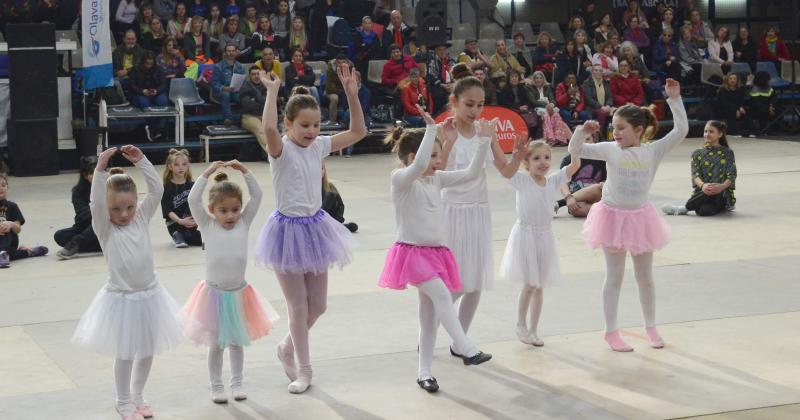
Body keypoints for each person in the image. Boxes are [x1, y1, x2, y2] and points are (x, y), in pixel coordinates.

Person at [255, 67, 366, 394]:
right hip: (286, 233)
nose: (312, 131)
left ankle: (287, 346)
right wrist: (272, 92)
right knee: (298, 306)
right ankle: (304, 370)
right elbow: (267, 128)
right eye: (304, 125)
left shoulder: (318, 146)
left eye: (316, 125)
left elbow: (358, 131)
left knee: (318, 306)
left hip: (316, 228)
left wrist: (351, 94)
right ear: (288, 124)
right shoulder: (281, 150)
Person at [567, 78, 688, 352]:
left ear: (639, 129)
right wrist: (582, 132)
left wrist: (674, 99)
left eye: (621, 128)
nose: (615, 133)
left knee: (645, 277)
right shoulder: (610, 150)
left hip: (641, 218)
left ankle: (651, 327)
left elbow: (681, 130)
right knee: (614, 277)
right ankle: (611, 331)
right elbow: (576, 151)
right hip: (612, 218)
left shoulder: (652, 150)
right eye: (613, 128)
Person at [379, 109, 494, 393]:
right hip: (411, 254)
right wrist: (431, 130)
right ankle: (465, 347)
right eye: (431, 156)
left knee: (428, 318)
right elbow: (418, 167)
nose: (437, 161)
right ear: (409, 157)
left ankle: (424, 372)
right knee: (442, 294)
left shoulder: (437, 179)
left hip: (435, 253)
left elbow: (469, 174)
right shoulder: (400, 179)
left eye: (437, 155)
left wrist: (483, 142)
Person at [71, 146, 184, 420]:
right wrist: (100, 168)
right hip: (122, 298)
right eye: (116, 208)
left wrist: (143, 161)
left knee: (146, 350)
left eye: (130, 207)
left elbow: (156, 190)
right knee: (125, 353)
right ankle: (123, 401)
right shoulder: (105, 227)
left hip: (150, 295)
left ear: (137, 203)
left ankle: (138, 395)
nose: (124, 213)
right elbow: (96, 202)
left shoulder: (141, 218)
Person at [438, 77, 525, 352]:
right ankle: (426, 333)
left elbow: (507, 171)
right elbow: (435, 169)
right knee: (451, 284)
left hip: (478, 211)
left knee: (474, 283)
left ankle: (460, 342)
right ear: (454, 102)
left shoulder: (486, 132)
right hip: (451, 212)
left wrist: (519, 155)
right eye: (469, 104)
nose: (475, 111)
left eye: (481, 104)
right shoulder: (443, 130)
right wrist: (450, 142)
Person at [184, 160, 279, 404]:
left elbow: (257, 195)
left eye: (235, 209)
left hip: (239, 293)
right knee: (216, 344)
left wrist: (245, 171)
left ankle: (237, 383)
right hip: (213, 295)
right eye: (224, 210)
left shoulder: (244, 222)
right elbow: (193, 200)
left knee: (237, 342)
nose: (231, 215)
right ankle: (216, 385)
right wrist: (206, 173)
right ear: (212, 209)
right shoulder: (207, 225)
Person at [500, 140, 580, 347]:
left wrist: (578, 139)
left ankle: (534, 330)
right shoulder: (521, 181)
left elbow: (574, 165)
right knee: (530, 283)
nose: (543, 162)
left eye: (546, 157)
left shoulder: (553, 181)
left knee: (540, 286)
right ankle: (520, 324)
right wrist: (514, 156)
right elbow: (504, 170)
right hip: (525, 236)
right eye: (536, 158)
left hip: (545, 237)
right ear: (527, 163)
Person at [663, 120, 736, 217]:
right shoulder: (697, 153)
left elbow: (732, 175)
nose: (707, 134)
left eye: (711, 132)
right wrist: (703, 186)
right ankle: (698, 205)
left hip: (722, 193)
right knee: (703, 211)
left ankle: (684, 208)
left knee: (713, 192)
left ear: (720, 134)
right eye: (705, 131)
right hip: (702, 193)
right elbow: (695, 175)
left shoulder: (727, 153)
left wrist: (721, 187)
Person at [55, 156, 102, 259]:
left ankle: (75, 244)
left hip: (104, 226)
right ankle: (100, 245)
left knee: (100, 221)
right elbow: (84, 214)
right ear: (85, 175)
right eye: (92, 173)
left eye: (99, 172)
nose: (97, 176)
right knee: (59, 235)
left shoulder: (110, 187)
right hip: (86, 227)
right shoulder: (78, 192)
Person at [0, 174, 48, 268]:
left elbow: (18, 229)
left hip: (8, 240)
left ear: (7, 187)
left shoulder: (12, 206)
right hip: (8, 249)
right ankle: (28, 252)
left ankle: (2, 255)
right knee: (11, 254)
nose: (1, 188)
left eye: (3, 185)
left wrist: (10, 224)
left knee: (5, 226)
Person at [161, 149, 202, 248]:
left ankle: (186, 235)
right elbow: (168, 211)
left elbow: (198, 205)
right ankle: (178, 235)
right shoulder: (166, 187)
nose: (181, 167)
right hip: (175, 224)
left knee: (206, 240)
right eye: (177, 165)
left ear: (188, 166)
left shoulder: (192, 185)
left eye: (184, 164)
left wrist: (197, 220)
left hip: (190, 224)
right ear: (170, 167)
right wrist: (180, 221)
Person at [556, 146, 606, 217]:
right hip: (577, 198)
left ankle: (561, 203)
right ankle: (606, 211)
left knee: (598, 187)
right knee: (575, 209)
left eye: (588, 139)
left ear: (593, 140)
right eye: (582, 140)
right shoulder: (568, 160)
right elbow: (562, 182)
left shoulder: (602, 159)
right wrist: (568, 197)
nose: (585, 143)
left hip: (597, 194)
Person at [130, 52, 169, 141]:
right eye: (147, 63)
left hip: (155, 93)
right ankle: (152, 128)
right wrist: (142, 91)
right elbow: (132, 85)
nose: (149, 66)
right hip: (140, 94)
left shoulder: (159, 69)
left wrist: (156, 91)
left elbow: (163, 84)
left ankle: (160, 129)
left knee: (163, 101)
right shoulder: (135, 69)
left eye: (151, 63)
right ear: (143, 62)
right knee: (145, 103)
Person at [529, 71, 571, 146]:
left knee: (556, 115)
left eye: (540, 78)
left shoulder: (547, 87)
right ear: (534, 79)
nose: (538, 80)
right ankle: (550, 139)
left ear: (543, 79)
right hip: (537, 108)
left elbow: (552, 99)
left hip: (549, 107)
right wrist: (547, 105)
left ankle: (559, 138)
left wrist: (551, 104)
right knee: (546, 116)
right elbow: (533, 101)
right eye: (536, 78)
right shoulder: (530, 88)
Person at [212, 43, 246, 125]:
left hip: (235, 91)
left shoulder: (240, 66)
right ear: (225, 53)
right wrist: (224, 88)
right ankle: (228, 119)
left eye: (233, 51)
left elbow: (244, 81)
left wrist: (241, 87)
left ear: (236, 52)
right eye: (229, 51)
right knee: (225, 94)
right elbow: (214, 84)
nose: (231, 53)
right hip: (221, 92)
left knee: (244, 96)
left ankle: (245, 118)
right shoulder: (218, 66)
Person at [240, 66, 270, 151]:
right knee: (261, 130)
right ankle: (272, 155)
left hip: (264, 116)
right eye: (253, 74)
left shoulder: (266, 87)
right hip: (249, 116)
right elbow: (247, 105)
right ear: (249, 76)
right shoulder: (245, 88)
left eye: (258, 74)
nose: (256, 76)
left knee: (275, 130)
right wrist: (261, 101)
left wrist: (256, 99)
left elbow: (271, 102)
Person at [321, 164, 358, 231]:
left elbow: (340, 206)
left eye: (321, 169)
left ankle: (335, 227)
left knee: (330, 193)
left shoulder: (330, 188)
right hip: (317, 222)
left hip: (329, 221)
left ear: (324, 171)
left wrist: (338, 219)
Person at [582, 65, 616, 133]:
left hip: (605, 106)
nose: (598, 72)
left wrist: (608, 105)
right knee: (602, 113)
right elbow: (588, 99)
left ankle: (612, 133)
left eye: (600, 71)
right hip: (592, 107)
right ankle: (600, 134)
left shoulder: (605, 82)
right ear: (592, 72)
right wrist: (601, 107)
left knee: (616, 112)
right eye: (596, 70)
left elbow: (610, 96)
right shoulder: (587, 83)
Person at [426, 44, 456, 116]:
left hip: (451, 84)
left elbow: (457, 73)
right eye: (440, 50)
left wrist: (453, 84)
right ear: (436, 51)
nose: (442, 52)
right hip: (438, 85)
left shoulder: (451, 60)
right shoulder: (432, 61)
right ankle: (438, 115)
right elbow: (431, 76)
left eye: (444, 49)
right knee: (439, 94)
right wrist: (443, 85)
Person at [716, 72, 749, 136]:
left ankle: (748, 131)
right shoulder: (722, 90)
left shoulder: (740, 90)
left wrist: (741, 107)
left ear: (737, 80)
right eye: (730, 78)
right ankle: (732, 132)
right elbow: (725, 103)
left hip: (736, 108)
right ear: (727, 80)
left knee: (748, 110)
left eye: (734, 78)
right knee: (731, 111)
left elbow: (741, 101)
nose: (732, 80)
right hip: (724, 109)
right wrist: (736, 109)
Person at [323, 55, 353, 125]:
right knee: (335, 98)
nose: (341, 65)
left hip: (343, 90)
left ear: (347, 62)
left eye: (343, 62)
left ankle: (348, 120)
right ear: (336, 63)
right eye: (339, 63)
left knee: (353, 95)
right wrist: (342, 91)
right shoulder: (330, 68)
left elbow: (352, 84)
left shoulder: (351, 68)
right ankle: (332, 121)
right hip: (331, 92)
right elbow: (328, 88)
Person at [748, 70, 778, 135]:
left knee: (779, 110)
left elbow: (774, 98)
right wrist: (768, 108)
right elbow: (756, 103)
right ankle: (763, 129)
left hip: (769, 107)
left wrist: (771, 106)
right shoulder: (755, 89)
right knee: (761, 111)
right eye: (767, 79)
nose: (769, 81)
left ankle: (776, 129)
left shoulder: (769, 88)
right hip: (758, 109)